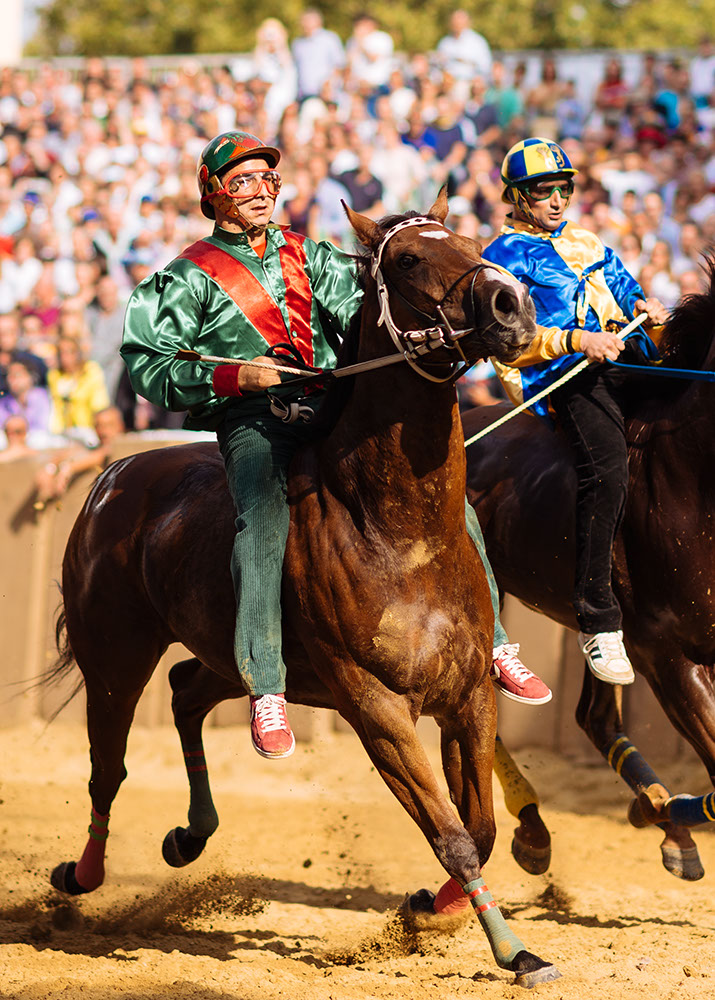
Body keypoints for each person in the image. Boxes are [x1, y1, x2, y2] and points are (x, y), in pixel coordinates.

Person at [120, 130, 552, 762]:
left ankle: (494, 644)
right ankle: (266, 685)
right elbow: (146, 364)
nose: (262, 192)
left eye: (268, 181)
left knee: (441, 498)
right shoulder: (186, 278)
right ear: (214, 198)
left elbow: (368, 315)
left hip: (330, 410)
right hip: (255, 424)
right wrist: (239, 374)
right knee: (263, 519)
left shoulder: (310, 255)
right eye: (243, 183)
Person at [481, 138, 669, 686]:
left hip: (620, 359)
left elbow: (626, 291)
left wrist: (647, 310)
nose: (558, 201)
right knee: (607, 467)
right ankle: (597, 617)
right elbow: (506, 337)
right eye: (544, 192)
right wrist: (574, 339)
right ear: (517, 198)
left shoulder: (587, 240)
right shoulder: (500, 256)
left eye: (564, 189)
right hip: (560, 377)